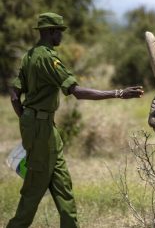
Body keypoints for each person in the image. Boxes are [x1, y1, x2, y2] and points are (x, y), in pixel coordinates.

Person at [7, 12, 144, 228]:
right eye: (59, 31)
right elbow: (76, 91)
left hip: (45, 129)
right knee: (33, 190)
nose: (61, 36)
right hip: (42, 130)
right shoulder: (48, 58)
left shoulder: (29, 56)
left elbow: (14, 95)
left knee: (63, 188)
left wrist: (27, 120)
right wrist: (118, 93)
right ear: (51, 32)